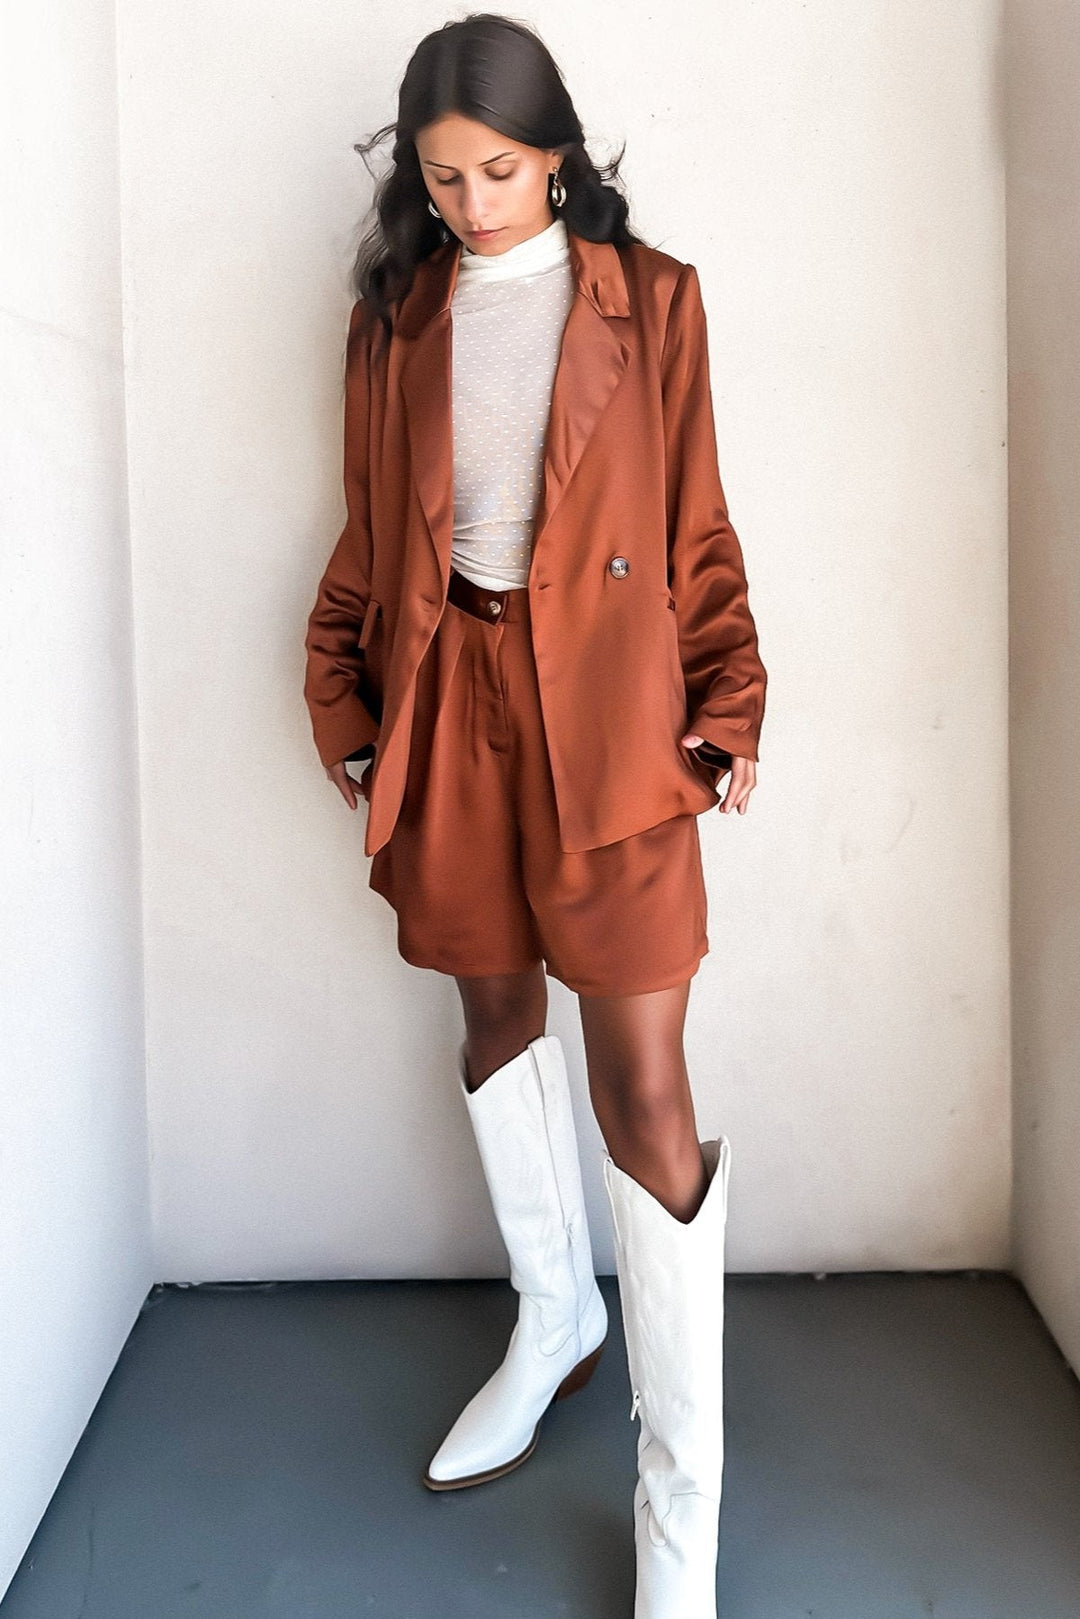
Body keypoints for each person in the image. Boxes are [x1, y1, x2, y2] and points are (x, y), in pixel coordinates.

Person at [303, 15, 767, 1616]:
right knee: (495, 1019)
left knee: (646, 1087)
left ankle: (678, 1508)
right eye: (441, 179)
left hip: (616, 714)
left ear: (555, 152)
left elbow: (698, 521)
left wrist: (728, 700)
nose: (472, 204)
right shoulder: (395, 317)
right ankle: (551, 1317)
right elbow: (368, 539)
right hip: (453, 707)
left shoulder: (657, 302)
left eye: (497, 170)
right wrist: (348, 709)